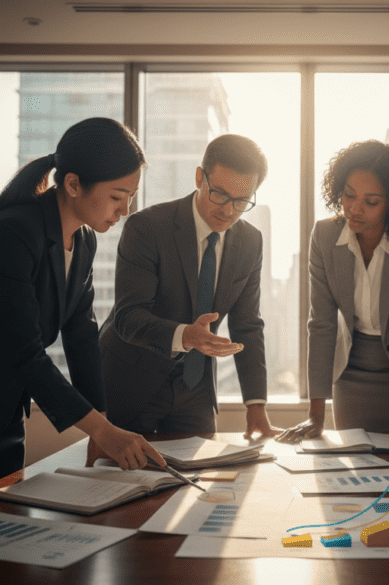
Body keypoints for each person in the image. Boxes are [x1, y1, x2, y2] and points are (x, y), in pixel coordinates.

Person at [0, 117, 167, 519]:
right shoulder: (12, 232)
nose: (125, 211)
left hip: (2, 408)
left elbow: (81, 334)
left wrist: (101, 420)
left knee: (4, 527)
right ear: (74, 184)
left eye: (130, 197)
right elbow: (22, 351)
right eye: (117, 196)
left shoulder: (84, 239)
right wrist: (101, 430)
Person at [98, 134, 279, 438]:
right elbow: (128, 318)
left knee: (201, 481)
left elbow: (247, 324)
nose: (228, 210)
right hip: (131, 380)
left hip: (194, 388)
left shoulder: (250, 241)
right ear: (199, 177)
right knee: (123, 481)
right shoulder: (147, 228)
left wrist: (256, 405)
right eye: (219, 194)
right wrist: (186, 336)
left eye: (242, 201)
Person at [276, 140, 389, 452]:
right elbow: (321, 324)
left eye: (371, 201)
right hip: (350, 370)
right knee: (355, 475)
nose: (354, 208)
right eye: (349, 194)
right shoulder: (324, 236)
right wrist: (315, 416)